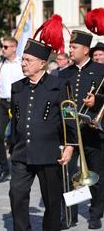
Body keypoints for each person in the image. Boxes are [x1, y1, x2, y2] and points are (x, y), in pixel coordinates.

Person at [9, 35, 75, 231]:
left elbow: (69, 118)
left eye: (28, 60)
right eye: (23, 59)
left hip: (48, 154)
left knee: (52, 201)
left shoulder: (59, 86)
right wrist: (12, 144)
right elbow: (15, 119)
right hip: (22, 153)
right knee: (16, 195)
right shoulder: (17, 87)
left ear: (42, 64)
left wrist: (70, 145)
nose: (23, 63)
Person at [59, 29, 104, 230]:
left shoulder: (101, 70)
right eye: (70, 46)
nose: (70, 49)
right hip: (70, 132)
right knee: (68, 175)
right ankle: (70, 215)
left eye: (74, 47)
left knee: (96, 175)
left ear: (86, 50)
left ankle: (95, 214)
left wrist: (97, 101)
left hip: (92, 131)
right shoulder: (63, 73)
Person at [0, 36, 24, 183]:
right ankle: (4, 169)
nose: (2, 49)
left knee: (17, 137)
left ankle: (19, 165)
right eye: (2, 46)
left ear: (14, 48)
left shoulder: (22, 63)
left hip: (18, 103)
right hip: (3, 104)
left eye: (5, 47)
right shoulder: (0, 66)